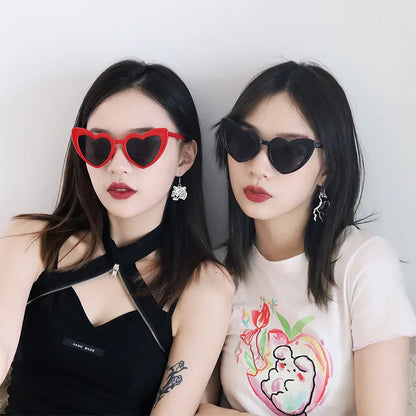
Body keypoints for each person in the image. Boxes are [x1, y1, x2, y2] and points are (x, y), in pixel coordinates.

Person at [0, 59, 234, 415]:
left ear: (184, 157)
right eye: (98, 145)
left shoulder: (203, 287)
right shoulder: (31, 241)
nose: (117, 165)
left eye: (143, 146)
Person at [197, 61, 416, 416]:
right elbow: (193, 407)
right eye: (244, 142)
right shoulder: (216, 273)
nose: (258, 167)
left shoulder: (364, 264)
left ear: (327, 168)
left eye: (287, 151)